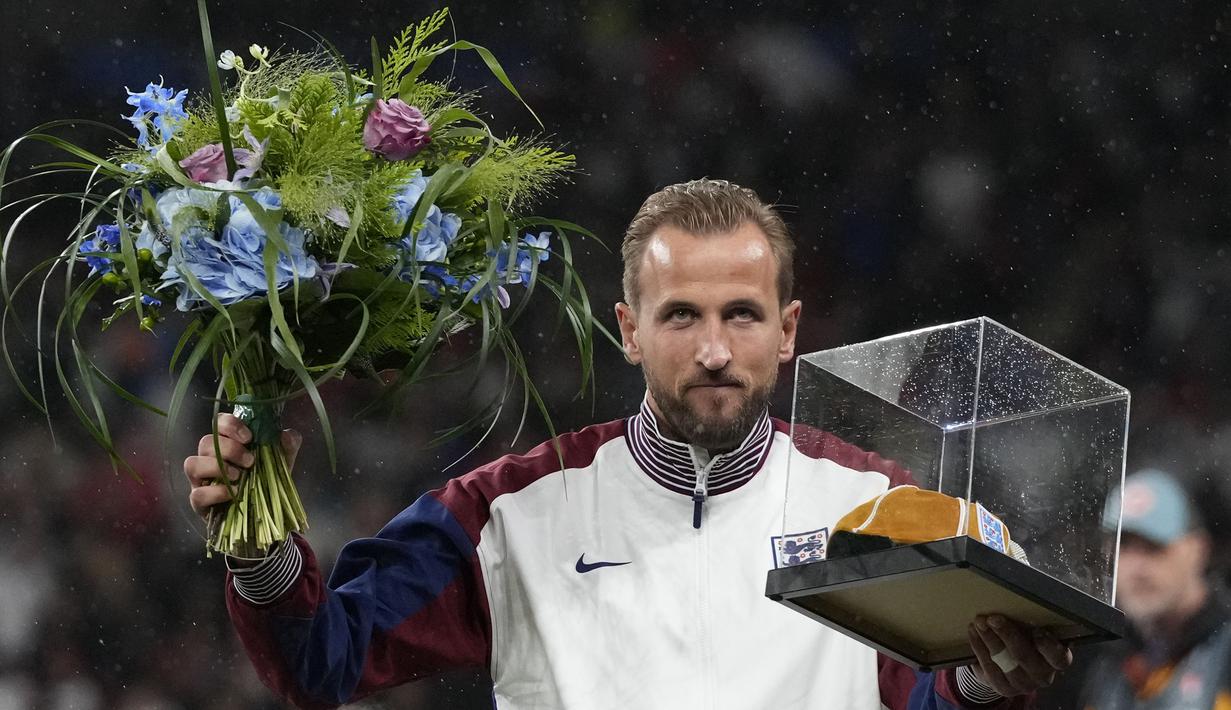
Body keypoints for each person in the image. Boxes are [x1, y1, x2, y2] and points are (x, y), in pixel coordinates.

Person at [185, 179, 1072, 709]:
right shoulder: (512, 511)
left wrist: (987, 685)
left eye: (742, 315)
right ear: (629, 329)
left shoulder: (874, 506)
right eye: (681, 315)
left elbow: (933, 701)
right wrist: (260, 549)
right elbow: (319, 663)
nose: (715, 348)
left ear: (789, 328)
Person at [1073, 469, 1231, 709]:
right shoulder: (1099, 656)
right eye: (1123, 547)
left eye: (1153, 547)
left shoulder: (1225, 653)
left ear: (1198, 550)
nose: (1137, 568)